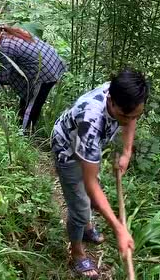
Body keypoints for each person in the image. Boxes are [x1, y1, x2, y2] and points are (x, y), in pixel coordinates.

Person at [51, 70, 149, 279]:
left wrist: (126, 152)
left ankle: (87, 228)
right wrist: (119, 229)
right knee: (80, 204)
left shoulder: (125, 94)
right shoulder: (90, 121)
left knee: (89, 195)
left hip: (88, 147)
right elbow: (90, 184)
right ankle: (77, 253)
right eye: (124, 115)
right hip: (67, 149)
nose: (129, 120)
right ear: (111, 101)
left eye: (136, 115)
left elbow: (131, 117)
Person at [0, 24, 66, 131]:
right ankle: (21, 123)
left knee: (32, 105)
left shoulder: (5, 46)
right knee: (28, 99)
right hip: (52, 63)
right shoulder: (13, 32)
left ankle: (24, 135)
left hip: (44, 74)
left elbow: (4, 77)